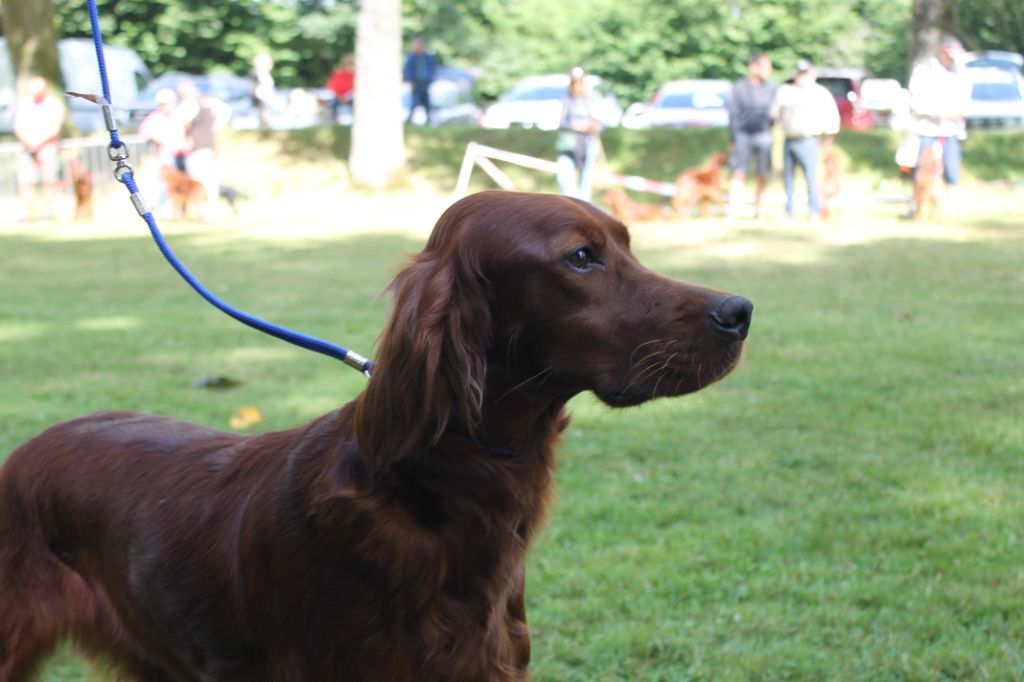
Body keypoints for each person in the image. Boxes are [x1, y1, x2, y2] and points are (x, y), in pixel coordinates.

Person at [906, 36, 972, 215]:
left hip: (951, 129)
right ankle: (916, 204)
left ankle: (948, 206)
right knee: (923, 168)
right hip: (927, 128)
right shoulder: (924, 71)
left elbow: (965, 102)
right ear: (943, 52)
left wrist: (956, 114)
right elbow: (915, 101)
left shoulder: (961, 73)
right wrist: (934, 113)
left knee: (951, 168)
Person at [771, 59, 841, 220]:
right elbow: (776, 115)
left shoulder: (820, 93)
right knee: (788, 178)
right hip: (789, 139)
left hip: (809, 140)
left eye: (805, 73)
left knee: (811, 177)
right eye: (799, 73)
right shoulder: (786, 91)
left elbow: (832, 120)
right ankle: (788, 211)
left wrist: (827, 142)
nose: (802, 77)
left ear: (812, 74)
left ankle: (813, 211)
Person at [727, 53, 778, 218]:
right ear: (753, 67)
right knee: (739, 172)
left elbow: (776, 113)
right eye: (765, 66)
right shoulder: (740, 88)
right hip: (743, 135)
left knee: (763, 173)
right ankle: (735, 210)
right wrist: (733, 139)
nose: (768, 70)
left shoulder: (772, 89)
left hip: (764, 134)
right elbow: (733, 115)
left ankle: (759, 209)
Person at [176, 79, 232, 220]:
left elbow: (184, 122)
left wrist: (185, 138)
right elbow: (226, 111)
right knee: (210, 181)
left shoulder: (189, 104)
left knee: (199, 182)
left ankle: (205, 213)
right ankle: (211, 211)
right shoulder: (209, 101)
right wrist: (216, 127)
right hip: (208, 146)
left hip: (197, 147)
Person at [12, 75, 66, 222]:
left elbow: (55, 127)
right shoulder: (24, 103)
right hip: (26, 146)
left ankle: (46, 214)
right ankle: (24, 214)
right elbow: (17, 124)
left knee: (49, 181)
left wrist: (39, 142)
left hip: (47, 146)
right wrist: (28, 141)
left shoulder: (53, 104)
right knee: (26, 182)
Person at [555, 67, 603, 202]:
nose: (578, 85)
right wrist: (575, 126)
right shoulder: (566, 100)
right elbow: (561, 122)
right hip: (568, 145)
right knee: (565, 179)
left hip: (588, 143)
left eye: (580, 82)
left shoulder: (593, 99)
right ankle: (570, 206)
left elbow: (600, 123)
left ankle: (584, 210)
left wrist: (591, 126)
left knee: (585, 181)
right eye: (575, 82)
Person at [138, 88, 190, 213]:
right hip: (166, 155)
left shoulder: (179, 115)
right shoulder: (154, 118)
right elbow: (144, 133)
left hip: (182, 154)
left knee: (183, 184)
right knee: (167, 184)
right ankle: (166, 208)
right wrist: (156, 139)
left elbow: (187, 130)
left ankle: (182, 209)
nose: (165, 107)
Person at [403, 37, 437, 125]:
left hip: (425, 83)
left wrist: (430, 79)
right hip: (416, 83)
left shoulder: (428, 58)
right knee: (414, 102)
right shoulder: (411, 58)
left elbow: (433, 69)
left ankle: (429, 120)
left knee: (426, 103)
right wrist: (410, 80)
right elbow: (407, 70)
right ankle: (409, 120)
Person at [251, 52, 279, 127]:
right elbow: (258, 91)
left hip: (268, 101)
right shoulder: (257, 75)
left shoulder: (264, 75)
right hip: (263, 101)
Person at [326, 54, 355, 123]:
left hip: (351, 96)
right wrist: (340, 95)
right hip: (339, 96)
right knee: (333, 103)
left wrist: (348, 95)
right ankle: (333, 120)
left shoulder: (357, 75)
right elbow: (332, 86)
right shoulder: (339, 74)